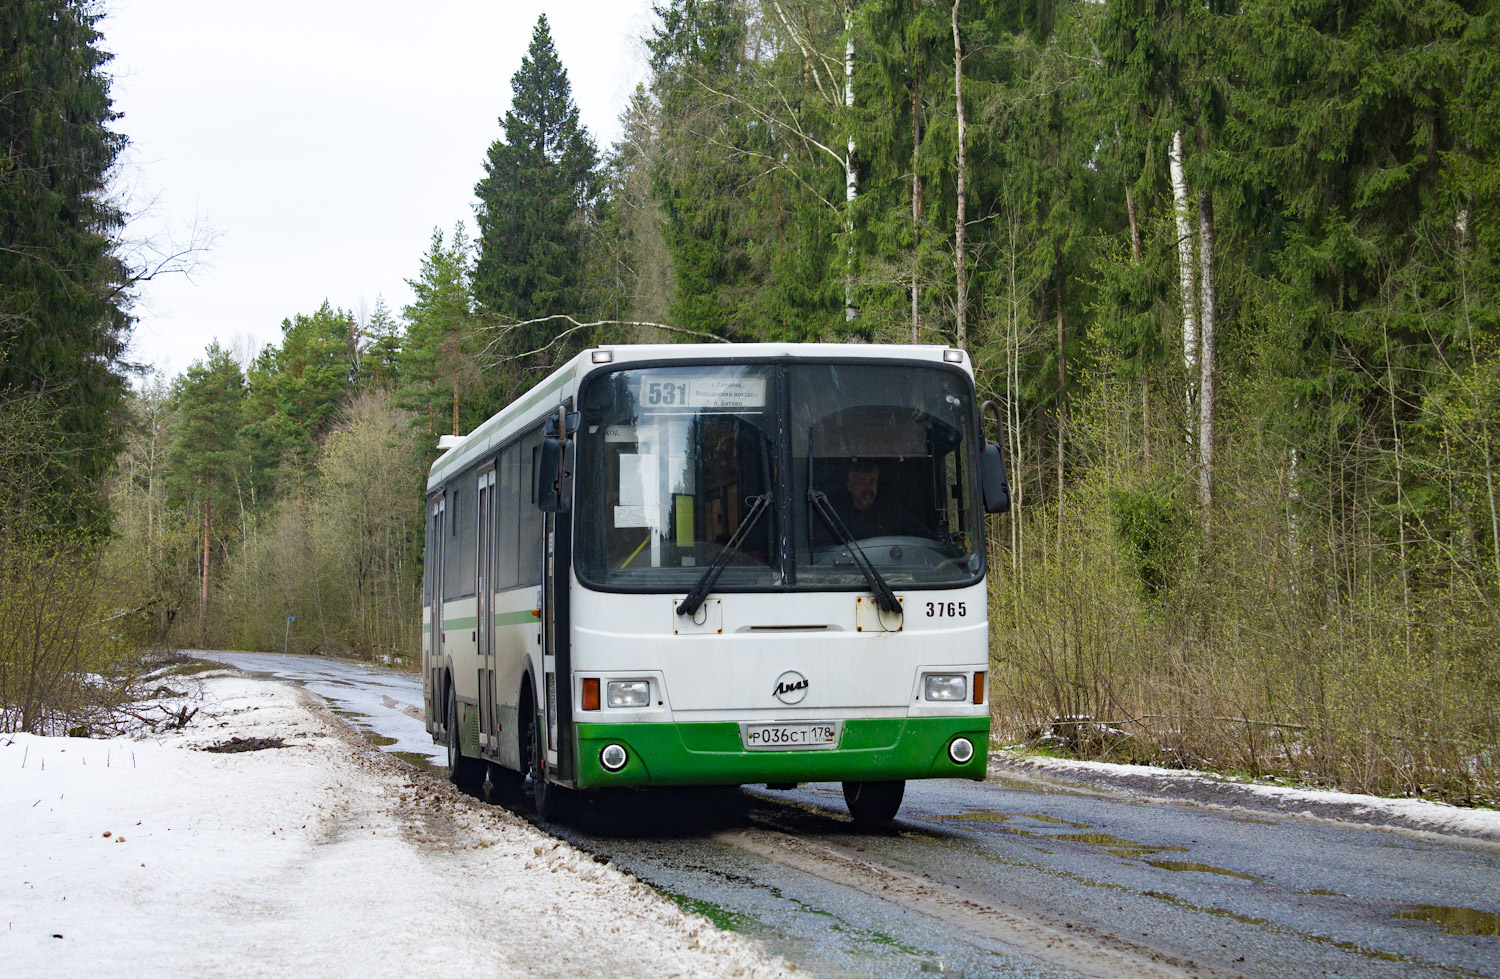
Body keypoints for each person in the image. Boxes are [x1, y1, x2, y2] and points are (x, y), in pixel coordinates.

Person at [835, 460, 928, 540]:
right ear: (850, 487)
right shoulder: (837, 515)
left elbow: (920, 533)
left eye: (872, 482)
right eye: (861, 482)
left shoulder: (890, 511)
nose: (868, 487)